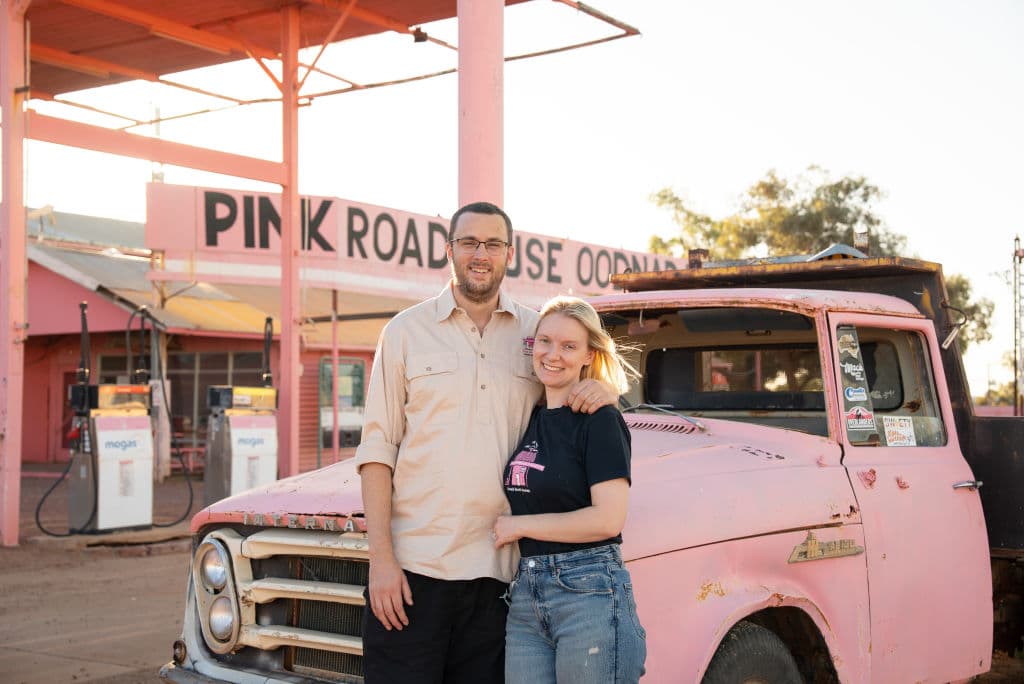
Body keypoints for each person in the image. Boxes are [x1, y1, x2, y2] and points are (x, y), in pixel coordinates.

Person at [354, 202, 618, 684]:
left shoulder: (536, 334)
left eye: (493, 244)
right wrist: (382, 561)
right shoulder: (404, 333)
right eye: (469, 242)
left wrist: (604, 389)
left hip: (504, 578)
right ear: (449, 249)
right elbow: (377, 452)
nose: (481, 253)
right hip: (415, 571)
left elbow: (569, 390)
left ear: (509, 254)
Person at [493, 296, 647, 684]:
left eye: (568, 346)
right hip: (526, 597)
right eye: (544, 341)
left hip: (589, 592)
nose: (553, 354)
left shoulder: (600, 421)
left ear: (588, 355)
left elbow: (608, 519)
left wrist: (520, 527)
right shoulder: (528, 416)